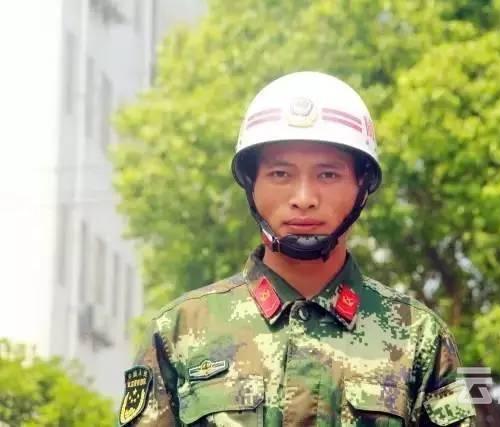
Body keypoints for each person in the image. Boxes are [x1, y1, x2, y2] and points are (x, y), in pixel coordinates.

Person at [118, 71, 476, 426]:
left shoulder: (418, 336)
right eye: (280, 174)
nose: (304, 199)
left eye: (328, 175)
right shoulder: (180, 330)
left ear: (362, 186)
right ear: (251, 184)